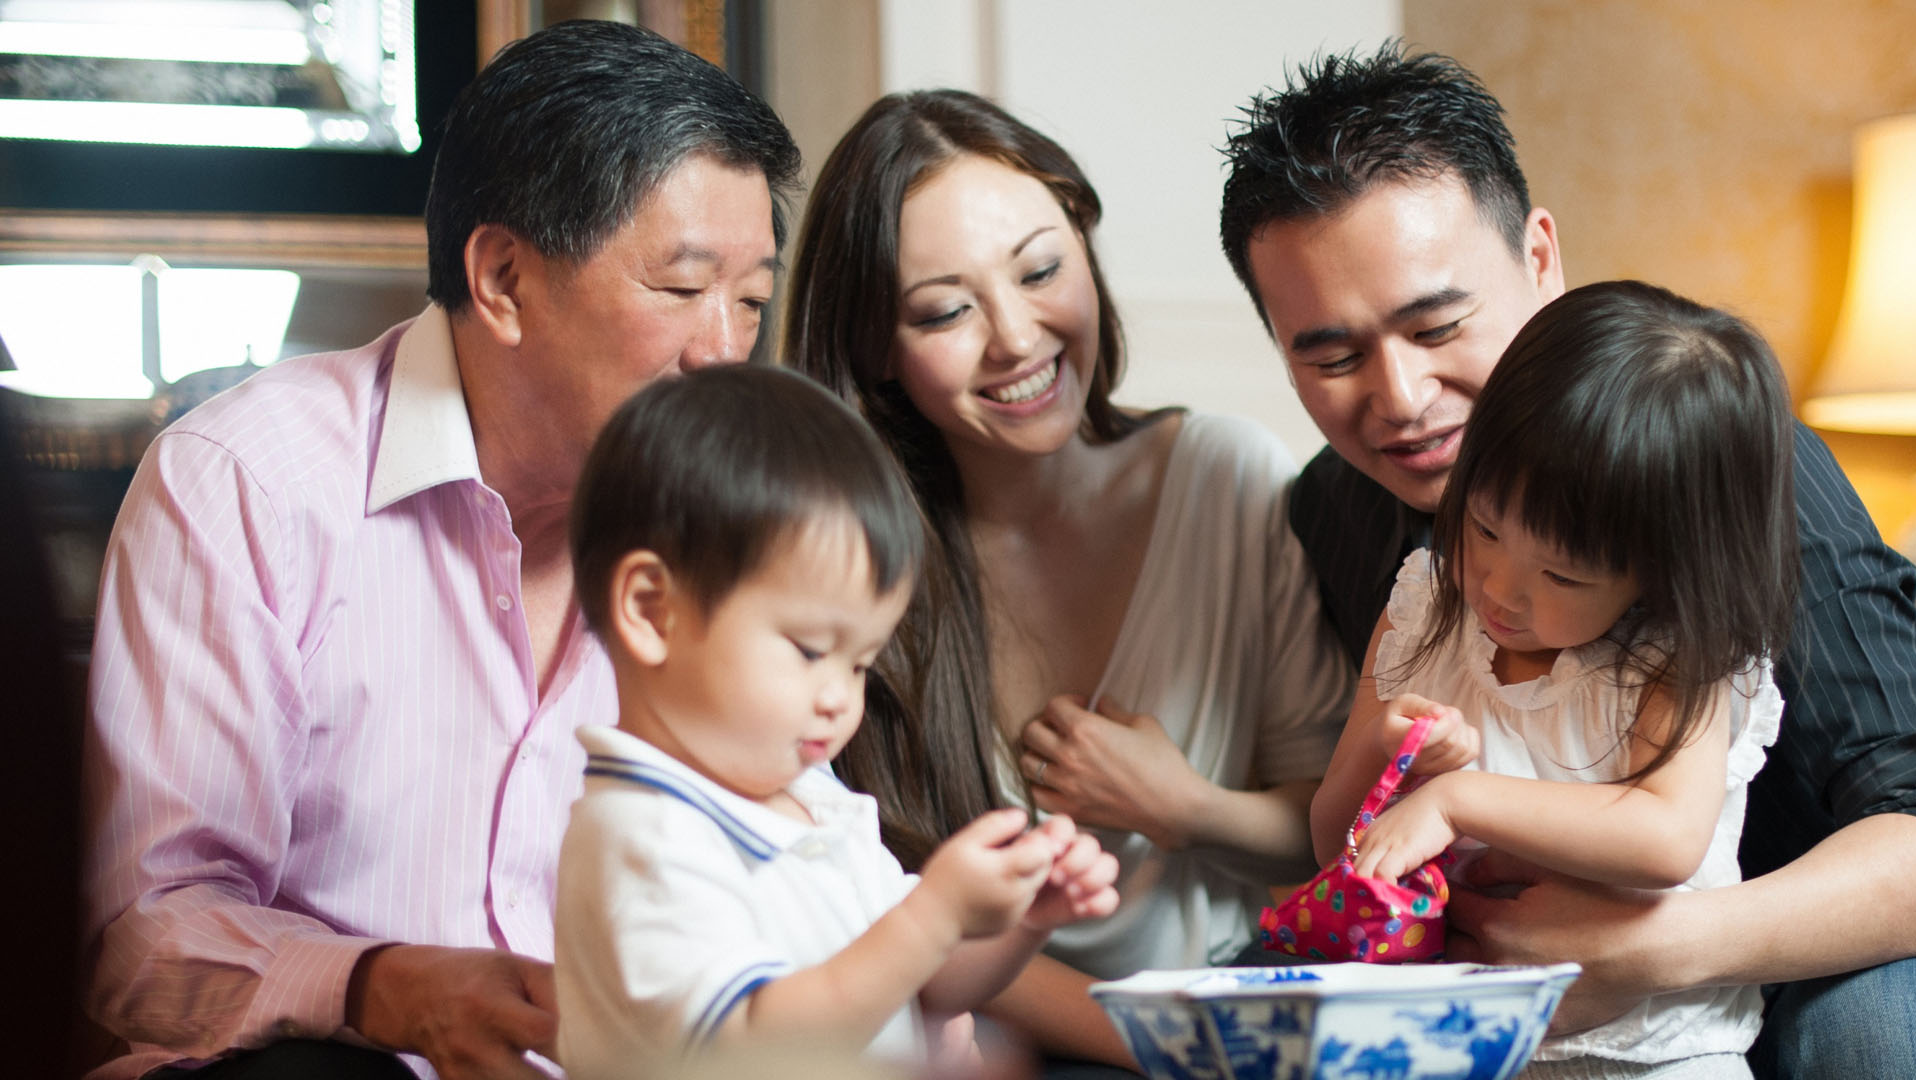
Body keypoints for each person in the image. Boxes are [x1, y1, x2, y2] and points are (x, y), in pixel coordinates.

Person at [82, 20, 800, 1080]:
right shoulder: (248, 481)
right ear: (504, 276)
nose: (724, 353)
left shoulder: (735, 521)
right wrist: (383, 989)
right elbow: (147, 931)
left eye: (750, 302)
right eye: (683, 290)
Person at [1218, 45, 1916, 1079]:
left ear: (1540, 258)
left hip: (1777, 937)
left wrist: (1656, 949)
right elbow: (1356, 806)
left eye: (1437, 324)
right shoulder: (1339, 507)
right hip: (1493, 988)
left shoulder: (1715, 468)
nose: (1401, 398)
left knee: (1865, 1040)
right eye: (1331, 355)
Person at [785, 88, 1354, 1067]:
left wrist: (1185, 808)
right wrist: (1156, 1047)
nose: (1014, 337)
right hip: (1011, 1045)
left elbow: (1330, 836)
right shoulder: (843, 562)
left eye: (1041, 269)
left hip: (1228, 1021)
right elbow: (876, 920)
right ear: (877, 348)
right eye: (946, 311)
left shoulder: (1227, 476)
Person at [552, 364, 1121, 1078]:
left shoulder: (815, 800)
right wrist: (934, 915)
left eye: (860, 665)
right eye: (811, 650)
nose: (838, 698)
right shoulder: (643, 836)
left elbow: (924, 981)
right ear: (650, 610)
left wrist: (1020, 922)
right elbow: (753, 1047)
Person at [1318, 281, 1794, 1077]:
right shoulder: (1425, 601)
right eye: (1483, 526)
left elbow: (1665, 838)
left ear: (1659, 571)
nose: (1501, 588)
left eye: (1564, 576)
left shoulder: (1682, 654)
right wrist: (1387, 756)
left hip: (1654, 1053)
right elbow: (1333, 841)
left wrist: (1457, 796)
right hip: (1463, 1045)